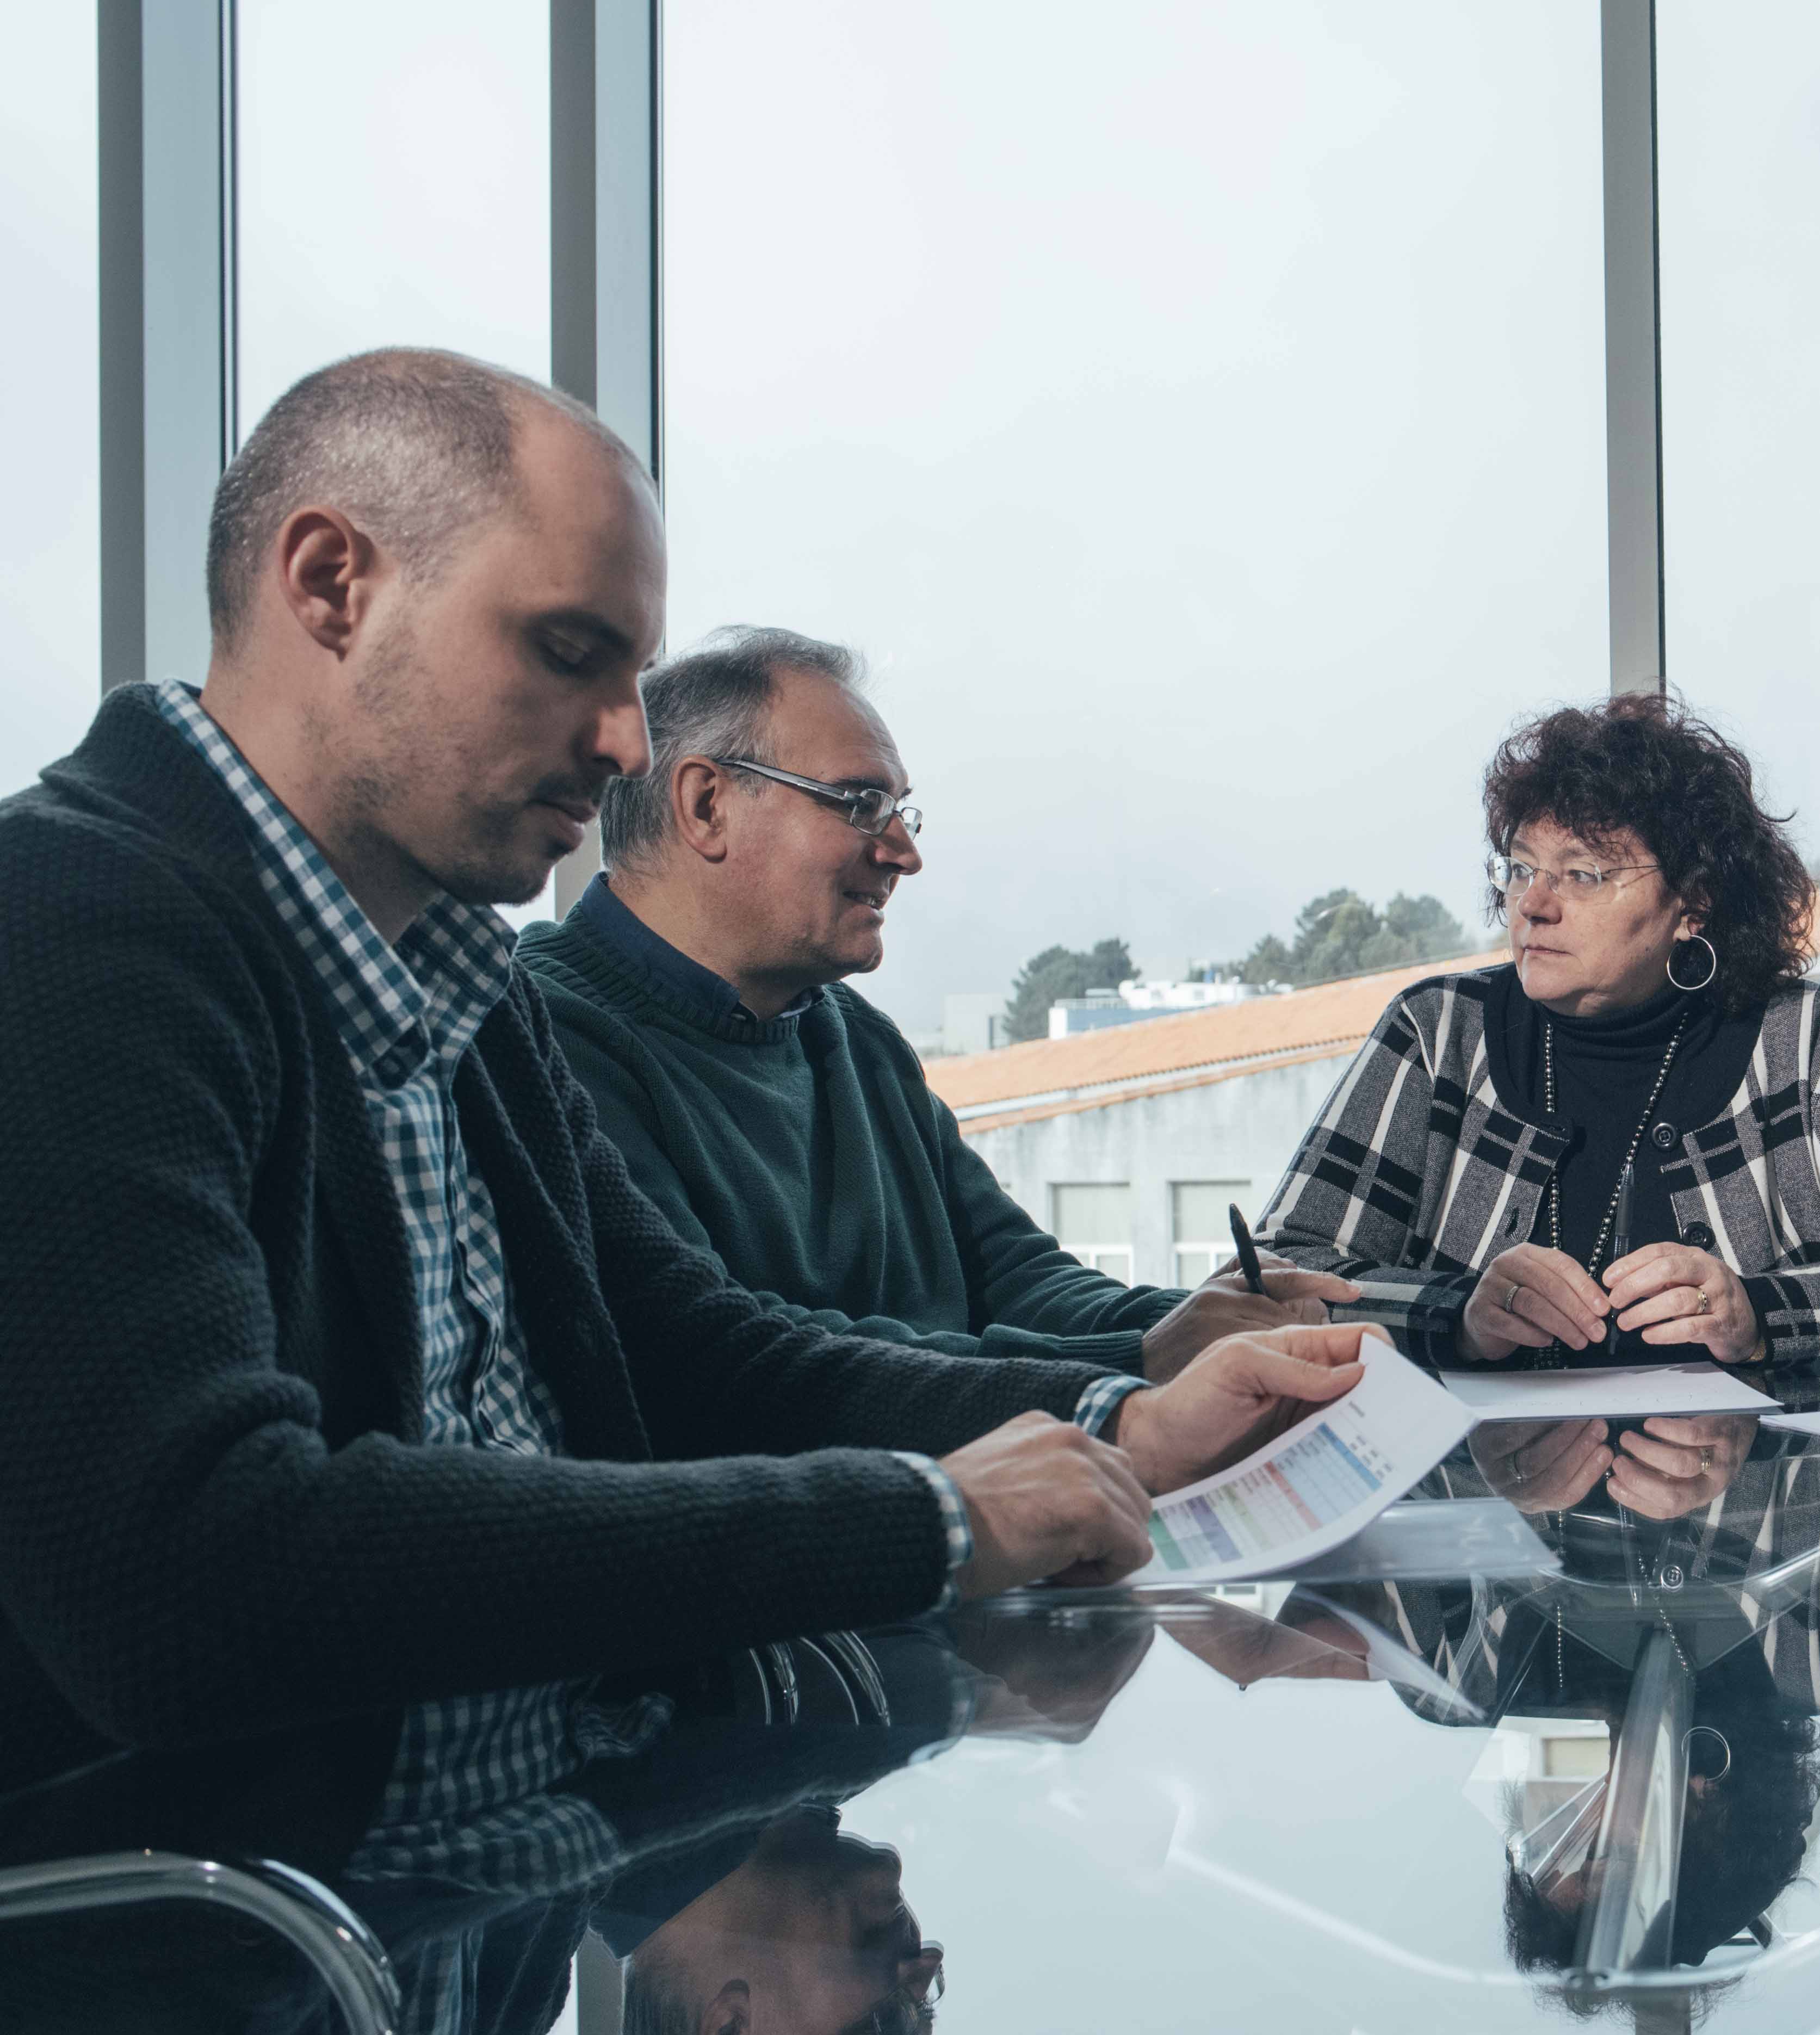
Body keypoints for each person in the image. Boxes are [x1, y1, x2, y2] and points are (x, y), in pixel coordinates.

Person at [0, 348, 1369, 1818]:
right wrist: (925, 1520)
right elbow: (197, 1581)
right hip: (242, 1981)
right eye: (567, 653)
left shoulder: (463, 981)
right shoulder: (70, 927)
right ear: (333, 583)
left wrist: (1120, 1423)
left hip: (493, 1917)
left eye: (633, 681)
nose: (623, 745)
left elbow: (694, 1353)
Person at [519, 624, 1349, 1376]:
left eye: (898, 810)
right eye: (859, 803)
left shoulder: (853, 1037)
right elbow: (729, 1366)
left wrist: (1226, 1326)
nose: (904, 853)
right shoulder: (544, 1037)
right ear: (707, 806)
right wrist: (1142, 1355)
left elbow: (1017, 1277)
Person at [1261, 692, 1820, 1390]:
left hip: (1752, 1516)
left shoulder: (1799, 1039)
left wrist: (1760, 1313)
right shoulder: (1435, 1033)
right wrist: (1453, 1315)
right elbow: (1268, 1277)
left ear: (1694, 902)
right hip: (1476, 1512)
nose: (1533, 905)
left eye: (1583, 874)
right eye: (1521, 868)